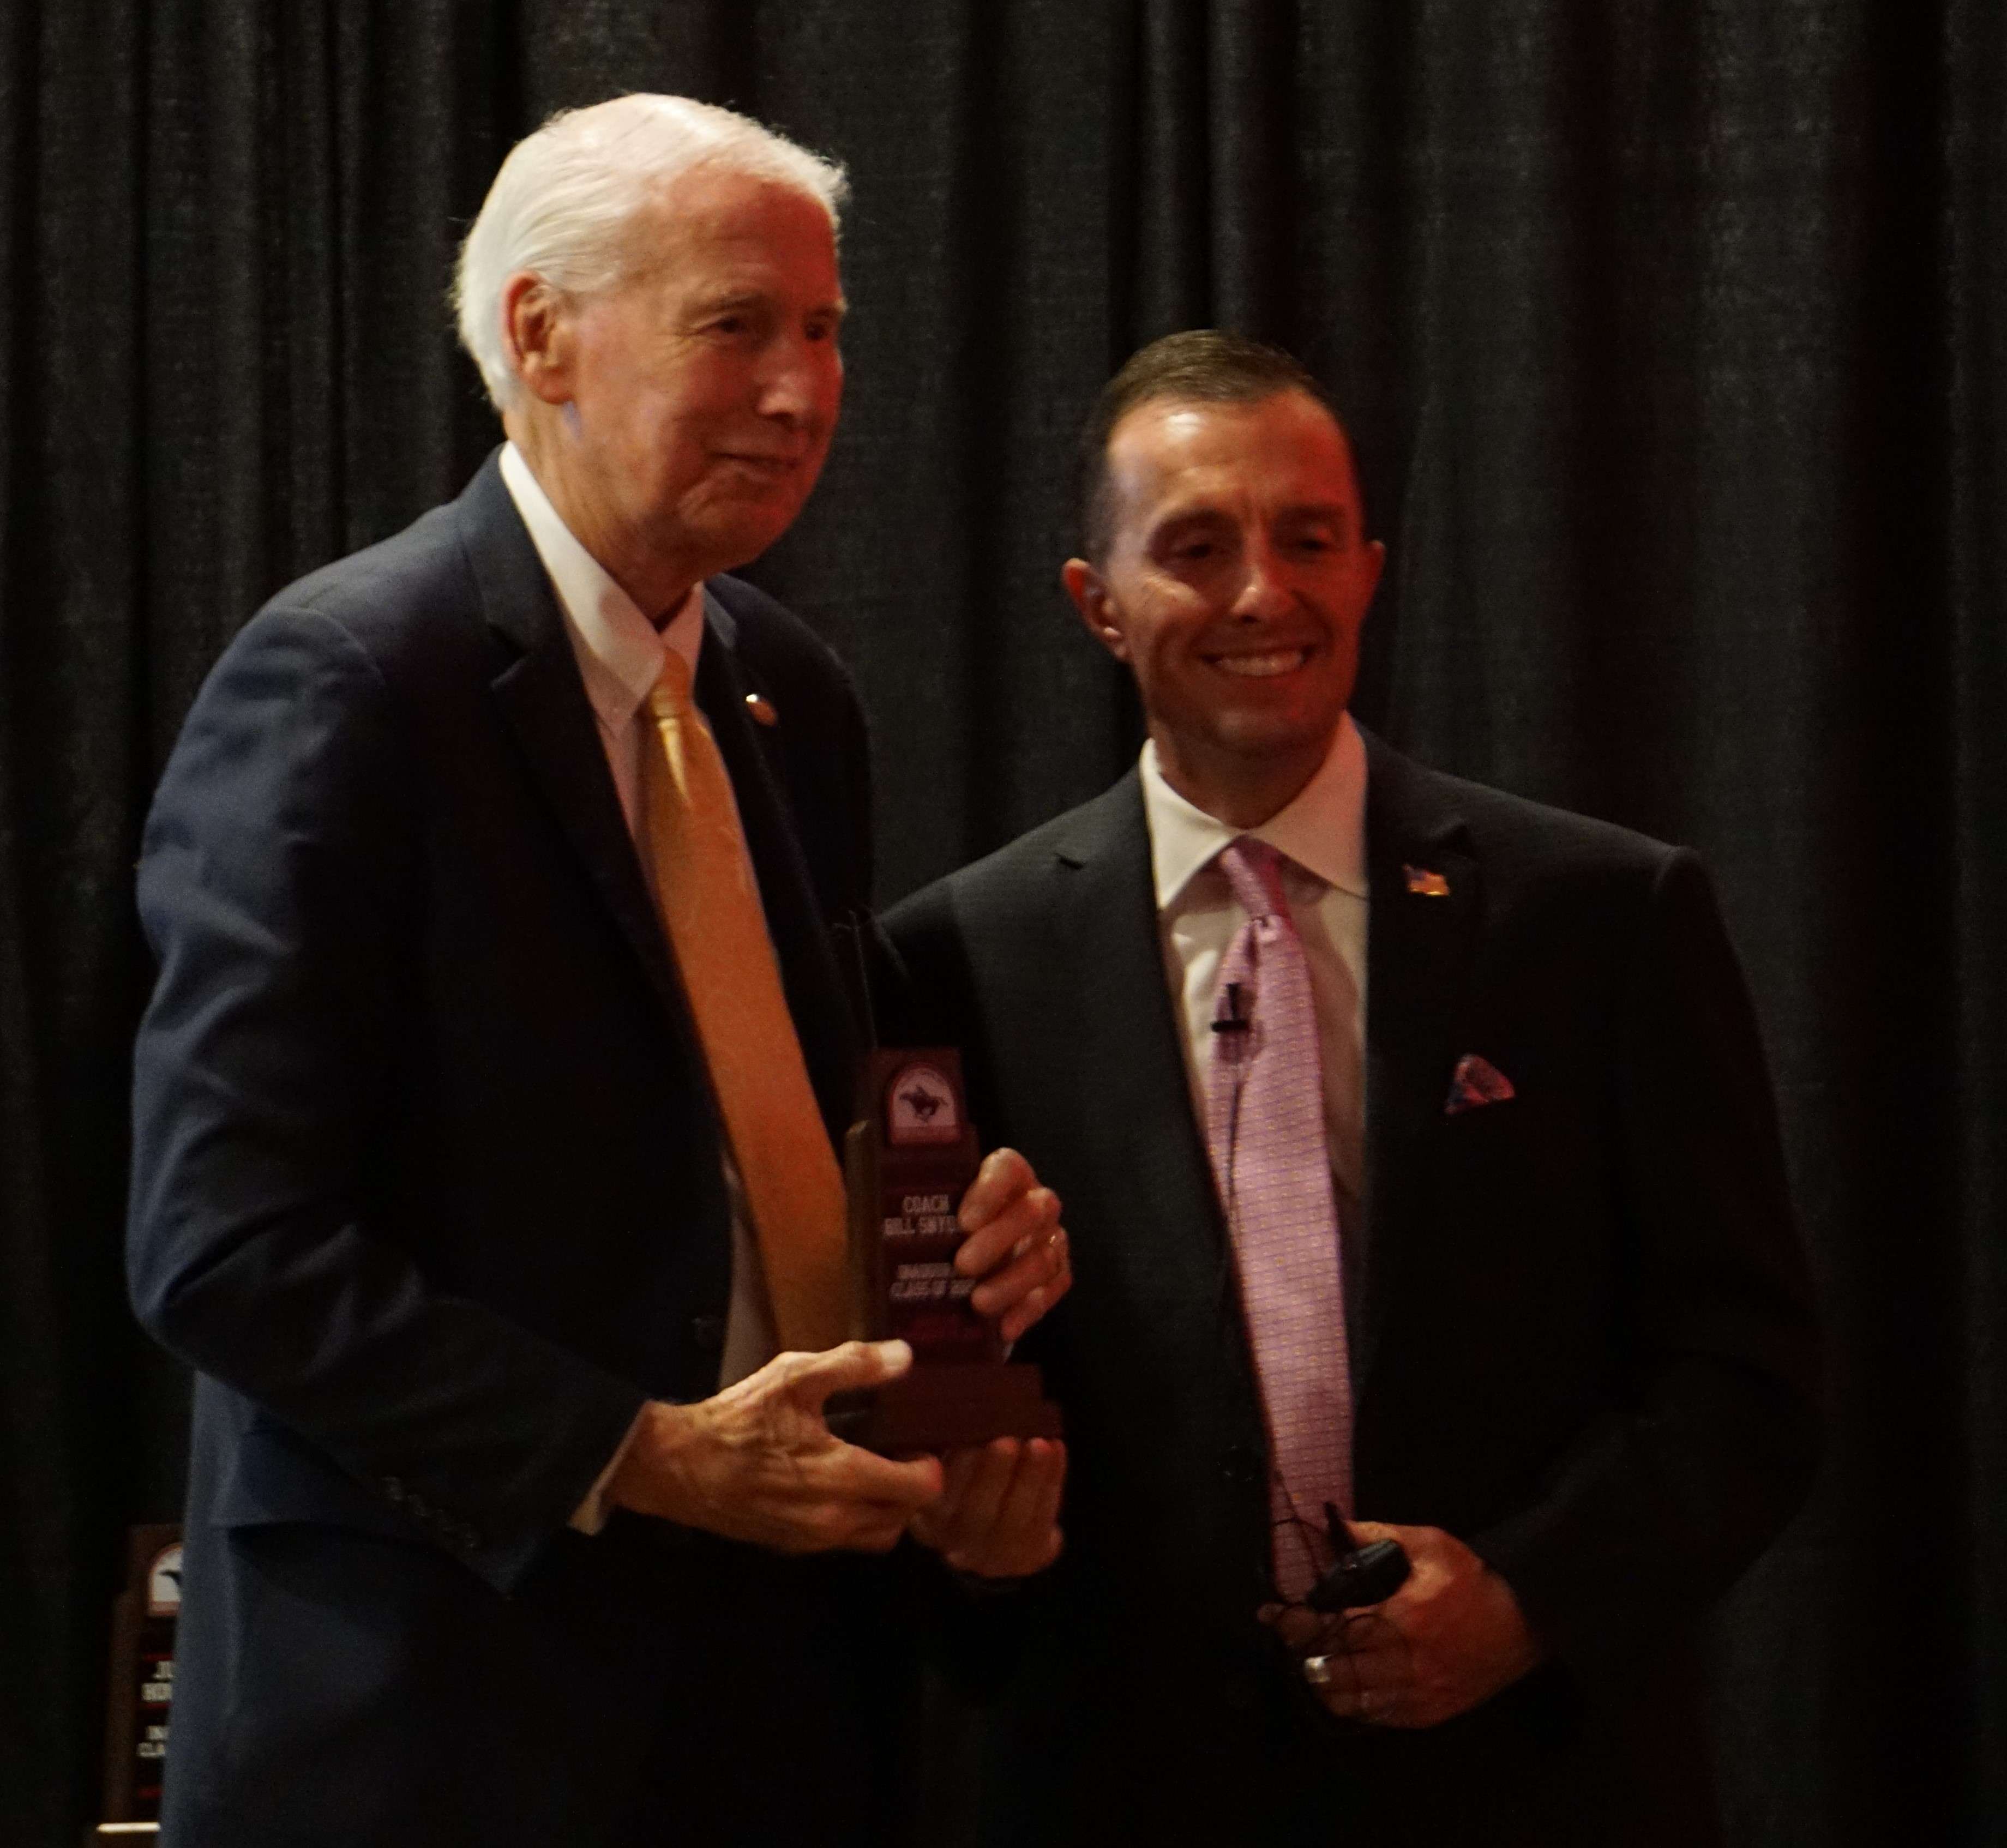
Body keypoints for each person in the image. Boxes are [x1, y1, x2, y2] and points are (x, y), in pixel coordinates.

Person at [127, 95, 1066, 1848]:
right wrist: (642, 1454)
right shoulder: (347, 684)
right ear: (543, 334)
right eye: (736, 326)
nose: (802, 391)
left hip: (780, 1693)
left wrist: (945, 1249)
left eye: (823, 329)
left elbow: (774, 1136)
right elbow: (222, 1246)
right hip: (438, 1716)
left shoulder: (788, 696)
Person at [883, 330, 1822, 1846]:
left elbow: (1750, 1378)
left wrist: (1525, 1598)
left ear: (1372, 568)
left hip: (1528, 1784)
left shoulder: (1601, 917)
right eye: (1195, 547)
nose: (1265, 593)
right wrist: (970, 1546)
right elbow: (923, 1395)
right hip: (1121, 1785)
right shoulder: (952, 961)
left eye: (1307, 538)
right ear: (1096, 604)